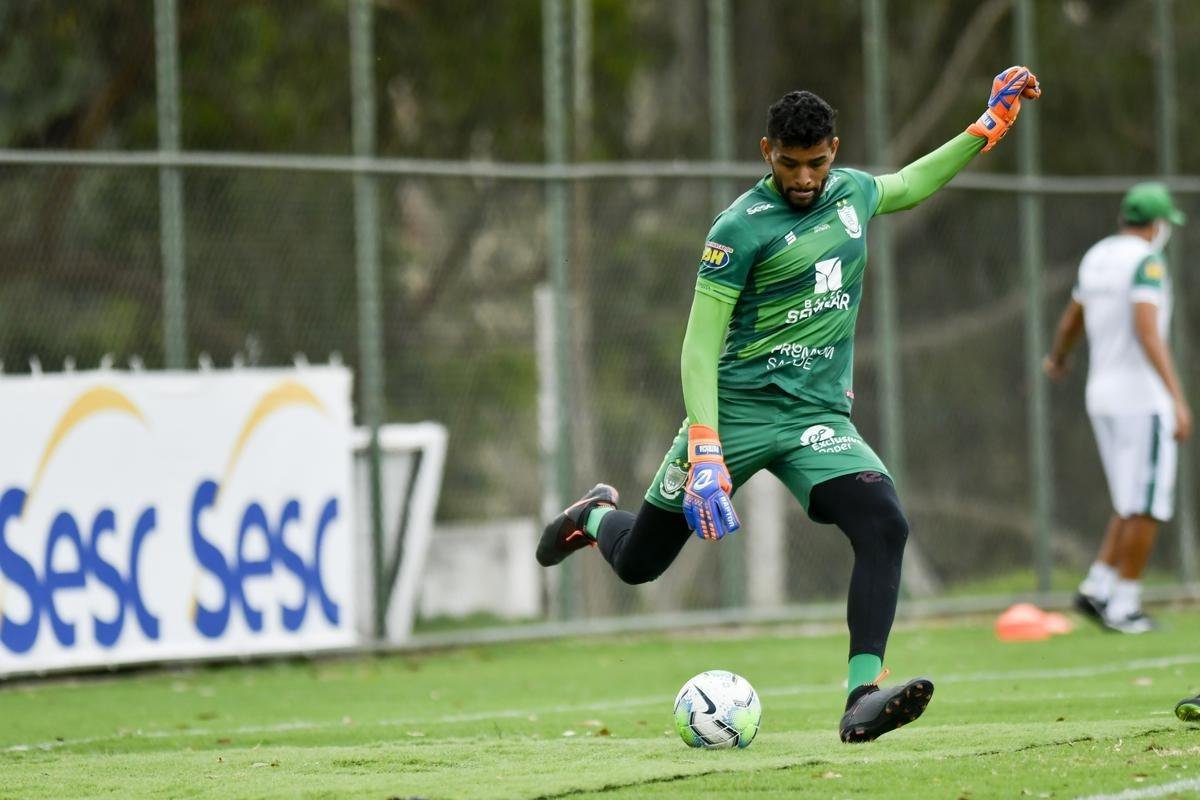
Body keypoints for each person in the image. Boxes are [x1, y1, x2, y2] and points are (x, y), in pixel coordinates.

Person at [538, 67, 1041, 742]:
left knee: (884, 524)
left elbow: (911, 183)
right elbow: (697, 348)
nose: (804, 179)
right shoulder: (738, 230)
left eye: (817, 163)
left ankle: (862, 695)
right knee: (640, 565)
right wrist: (707, 448)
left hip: (815, 421)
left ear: (834, 149)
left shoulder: (854, 194)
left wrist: (985, 129)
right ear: (765, 152)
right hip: (735, 413)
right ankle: (596, 516)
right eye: (789, 164)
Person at [1044, 182, 1191, 634]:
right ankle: (1126, 605)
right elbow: (1147, 330)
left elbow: (1073, 317)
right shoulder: (1147, 261)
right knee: (1147, 503)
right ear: (1158, 224)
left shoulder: (1098, 255)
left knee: (1130, 499)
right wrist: (1176, 396)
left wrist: (1059, 357)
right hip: (1140, 397)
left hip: (1101, 393)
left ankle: (1097, 586)